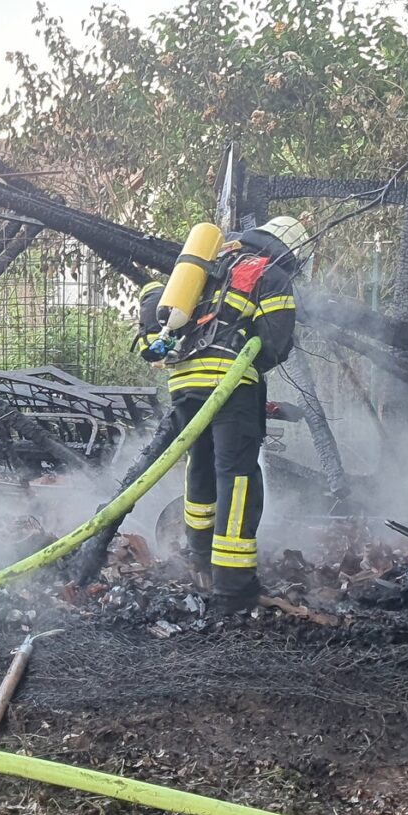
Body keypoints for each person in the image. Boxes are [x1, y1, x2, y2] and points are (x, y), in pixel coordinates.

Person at [138, 216, 306, 612]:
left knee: (201, 465)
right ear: (289, 251)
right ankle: (232, 584)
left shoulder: (214, 262)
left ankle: (200, 560)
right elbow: (274, 343)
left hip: (184, 381)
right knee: (238, 475)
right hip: (230, 381)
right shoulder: (271, 272)